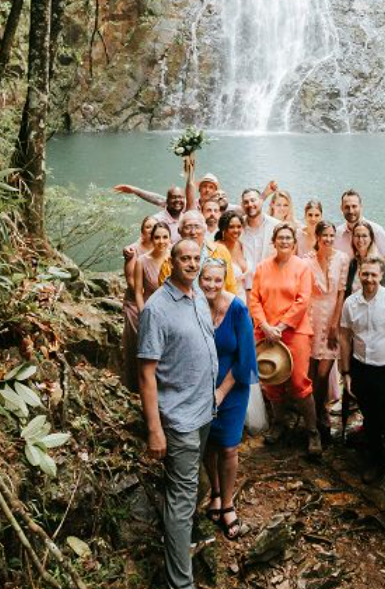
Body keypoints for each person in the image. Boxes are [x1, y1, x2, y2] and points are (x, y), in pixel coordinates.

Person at [137, 238, 218, 589]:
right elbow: (146, 373)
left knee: (189, 491)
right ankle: (180, 583)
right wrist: (155, 430)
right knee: (182, 500)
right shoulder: (156, 309)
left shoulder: (198, 295)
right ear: (172, 263)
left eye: (196, 258)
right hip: (180, 420)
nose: (191, 263)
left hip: (203, 413)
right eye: (184, 258)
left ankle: (181, 547)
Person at [248, 223, 321, 456]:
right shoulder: (262, 267)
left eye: (289, 238)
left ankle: (313, 432)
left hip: (294, 331)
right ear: (274, 241)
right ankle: (279, 424)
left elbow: (303, 300)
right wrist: (266, 326)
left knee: (299, 382)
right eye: (280, 238)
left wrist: (280, 326)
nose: (285, 241)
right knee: (270, 379)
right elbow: (254, 299)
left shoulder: (302, 268)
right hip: (265, 331)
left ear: (294, 242)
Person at [199, 257, 258, 540]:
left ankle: (229, 503)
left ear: (225, 281)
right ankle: (216, 492)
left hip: (232, 388)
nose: (211, 284)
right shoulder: (194, 304)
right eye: (206, 279)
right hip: (199, 387)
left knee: (228, 448)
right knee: (208, 444)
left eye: (217, 279)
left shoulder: (237, 309)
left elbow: (245, 358)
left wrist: (221, 393)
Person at [339, 257, 385, 484]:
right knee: (369, 420)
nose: (369, 279)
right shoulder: (351, 303)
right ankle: (376, 462)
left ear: (381, 276)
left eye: (373, 275)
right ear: (359, 275)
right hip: (361, 369)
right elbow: (344, 336)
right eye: (365, 274)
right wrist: (347, 373)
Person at [306, 221, 349, 443]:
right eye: (325, 235)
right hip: (311, 318)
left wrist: (335, 323)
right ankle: (314, 421)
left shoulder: (342, 259)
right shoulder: (306, 260)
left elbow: (341, 292)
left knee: (323, 374)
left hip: (332, 317)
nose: (329, 239)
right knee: (311, 374)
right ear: (317, 236)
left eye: (332, 235)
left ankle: (321, 414)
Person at [121, 215, 157, 392]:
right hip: (136, 304)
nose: (151, 230)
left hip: (155, 303)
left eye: (154, 227)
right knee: (137, 343)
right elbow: (131, 280)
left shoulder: (162, 248)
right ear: (142, 231)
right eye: (148, 227)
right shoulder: (134, 250)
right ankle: (135, 384)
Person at [159, 211, 236, 293]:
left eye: (197, 227)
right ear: (179, 231)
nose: (193, 232)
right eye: (187, 227)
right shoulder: (169, 261)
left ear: (205, 229)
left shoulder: (221, 252)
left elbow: (230, 287)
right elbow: (166, 296)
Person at [113, 184, 185, 244]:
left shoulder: (187, 218)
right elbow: (143, 240)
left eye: (181, 197)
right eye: (173, 197)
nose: (178, 200)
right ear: (166, 201)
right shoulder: (157, 220)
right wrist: (131, 249)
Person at [335, 189, 385, 264]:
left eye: (354, 206)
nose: (351, 211)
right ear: (341, 208)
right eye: (347, 207)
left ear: (361, 207)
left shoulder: (377, 231)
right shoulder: (337, 233)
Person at [240, 188, 280, 289]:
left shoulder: (276, 226)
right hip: (245, 286)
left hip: (269, 285)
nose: (250, 204)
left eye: (253, 200)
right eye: (246, 202)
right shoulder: (237, 226)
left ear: (261, 201)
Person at [134, 222, 172, 313]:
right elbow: (138, 292)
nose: (161, 241)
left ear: (170, 238)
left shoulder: (175, 258)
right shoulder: (141, 261)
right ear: (151, 239)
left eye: (165, 237)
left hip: (172, 309)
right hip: (151, 309)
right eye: (157, 237)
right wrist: (143, 313)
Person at [345, 220, 385, 295]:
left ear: (371, 238)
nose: (360, 240)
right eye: (357, 236)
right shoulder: (353, 263)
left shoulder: (379, 264)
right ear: (353, 238)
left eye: (364, 236)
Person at [215, 210, 247, 302]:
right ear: (223, 229)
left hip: (242, 298)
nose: (236, 230)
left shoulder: (240, 244)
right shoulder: (216, 248)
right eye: (231, 227)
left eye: (239, 227)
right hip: (225, 300)